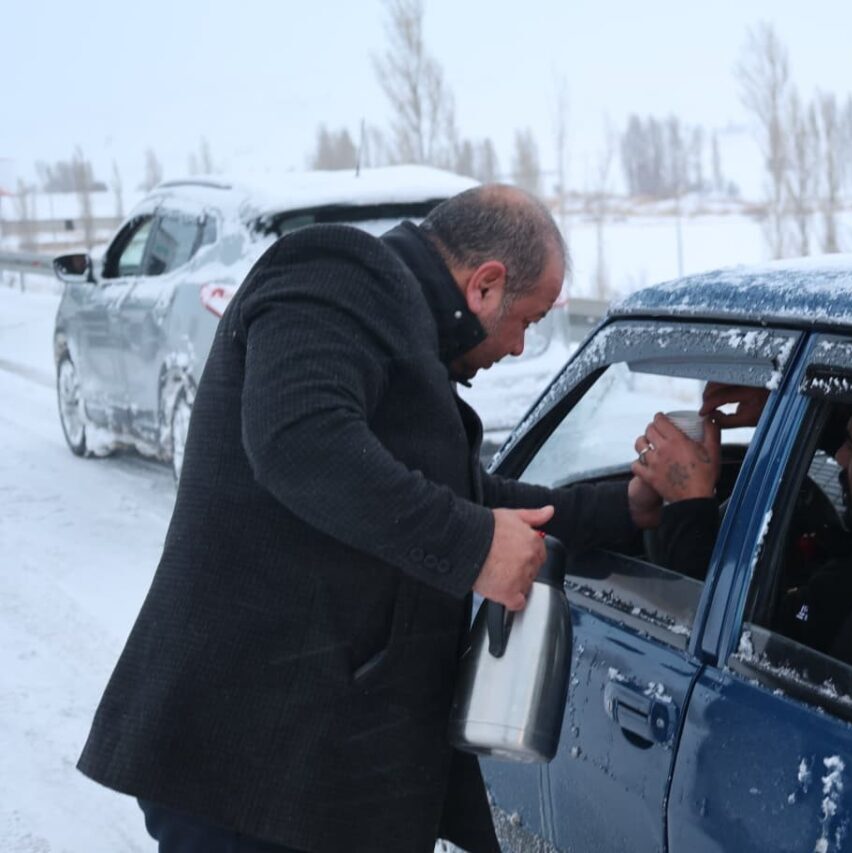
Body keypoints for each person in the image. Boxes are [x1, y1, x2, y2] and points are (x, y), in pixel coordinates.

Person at [77, 185, 660, 853]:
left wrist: (629, 507)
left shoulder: (404, 326)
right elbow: (300, 442)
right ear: (486, 285)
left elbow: (463, 495)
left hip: (312, 770)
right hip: (250, 765)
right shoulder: (334, 273)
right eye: (526, 320)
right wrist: (474, 549)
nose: (522, 346)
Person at [631, 385, 852, 653]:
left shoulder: (851, 591)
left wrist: (688, 502)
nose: (841, 459)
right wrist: (791, 405)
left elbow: (714, 635)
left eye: (851, 447)